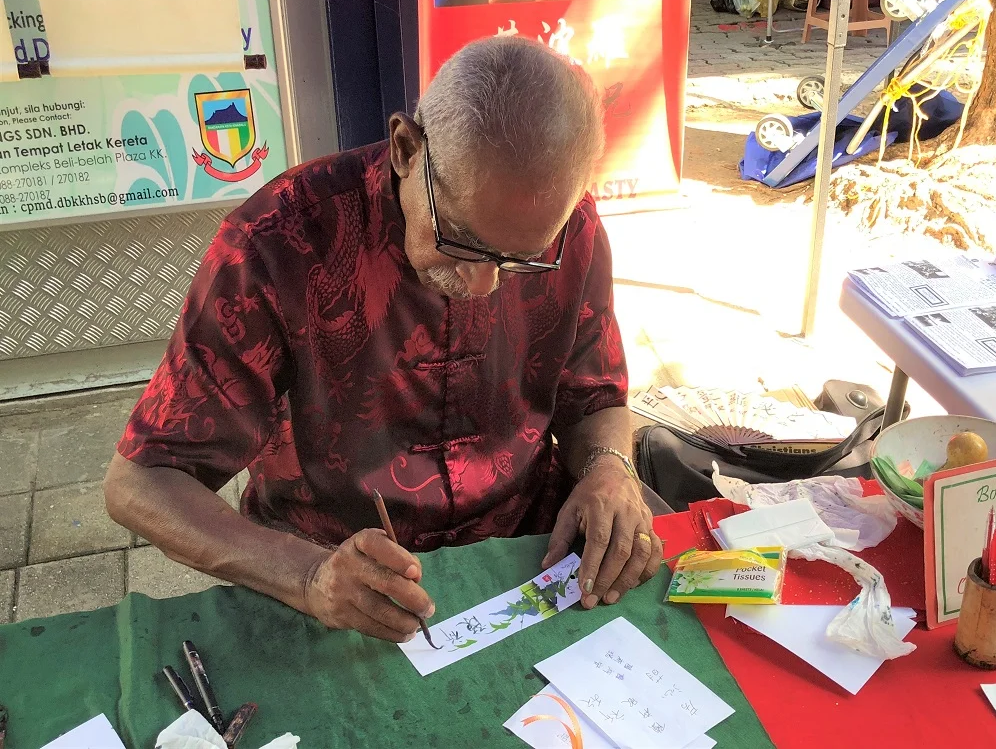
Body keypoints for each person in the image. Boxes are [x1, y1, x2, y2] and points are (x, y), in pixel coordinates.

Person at [104, 36, 663, 644]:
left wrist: (610, 468)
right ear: (405, 149)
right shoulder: (277, 243)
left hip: (527, 551)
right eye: (461, 240)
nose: (483, 284)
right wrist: (305, 575)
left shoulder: (570, 226)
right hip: (338, 570)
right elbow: (142, 482)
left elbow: (594, 395)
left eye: (522, 259)